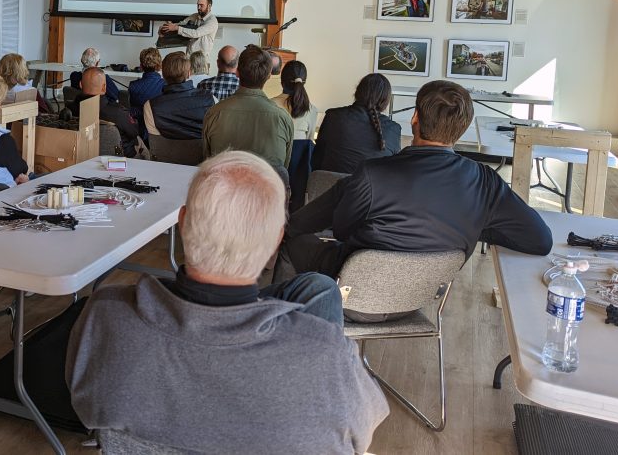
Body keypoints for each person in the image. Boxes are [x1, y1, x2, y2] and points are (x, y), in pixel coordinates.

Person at [66, 151, 389, 454]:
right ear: (277, 239)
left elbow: (86, 406)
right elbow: (363, 434)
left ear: (182, 221)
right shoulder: (324, 349)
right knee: (318, 289)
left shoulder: (105, 316)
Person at [278, 80, 554, 283]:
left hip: (352, 288)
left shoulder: (372, 174)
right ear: (464, 127)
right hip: (420, 296)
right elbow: (540, 240)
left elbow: (339, 230)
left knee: (291, 234)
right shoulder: (486, 182)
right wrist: (476, 224)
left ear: (414, 118)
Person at [203, 45, 294, 174]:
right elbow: (283, 168)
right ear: (269, 76)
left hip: (222, 190)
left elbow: (207, 161)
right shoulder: (283, 118)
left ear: (237, 72)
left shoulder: (213, 113)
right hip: (267, 191)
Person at [312, 73, 402, 174]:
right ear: (385, 100)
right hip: (370, 189)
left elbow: (316, 160)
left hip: (325, 187)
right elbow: (392, 171)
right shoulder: (393, 129)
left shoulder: (333, 116)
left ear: (357, 92)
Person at [144, 51, 215, 140]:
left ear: (163, 75)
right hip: (203, 153)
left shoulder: (150, 106)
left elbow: (156, 141)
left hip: (165, 153)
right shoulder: (210, 99)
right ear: (189, 74)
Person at [78, 67, 139, 157]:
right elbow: (134, 132)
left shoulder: (72, 108)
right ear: (104, 87)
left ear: (80, 84)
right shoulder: (118, 112)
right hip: (121, 158)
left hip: (83, 155)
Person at [273, 60, 318, 141]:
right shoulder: (312, 110)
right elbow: (308, 143)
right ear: (303, 83)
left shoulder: (268, 104)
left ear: (282, 82)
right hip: (297, 153)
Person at [127, 47, 165, 137]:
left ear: (141, 66)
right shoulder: (166, 85)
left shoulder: (133, 86)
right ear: (159, 65)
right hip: (160, 132)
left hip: (139, 132)